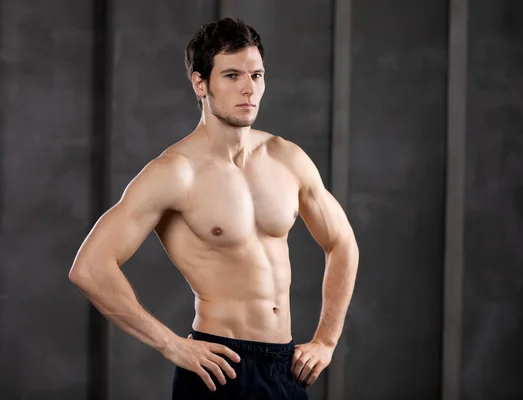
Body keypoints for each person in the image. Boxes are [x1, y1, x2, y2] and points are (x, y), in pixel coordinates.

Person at [69, 17, 359, 399]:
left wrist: (326, 340)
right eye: (232, 75)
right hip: (219, 370)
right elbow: (90, 268)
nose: (248, 89)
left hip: (285, 368)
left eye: (257, 76)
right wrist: (172, 344)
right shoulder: (175, 172)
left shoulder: (287, 157)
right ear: (200, 83)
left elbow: (342, 242)